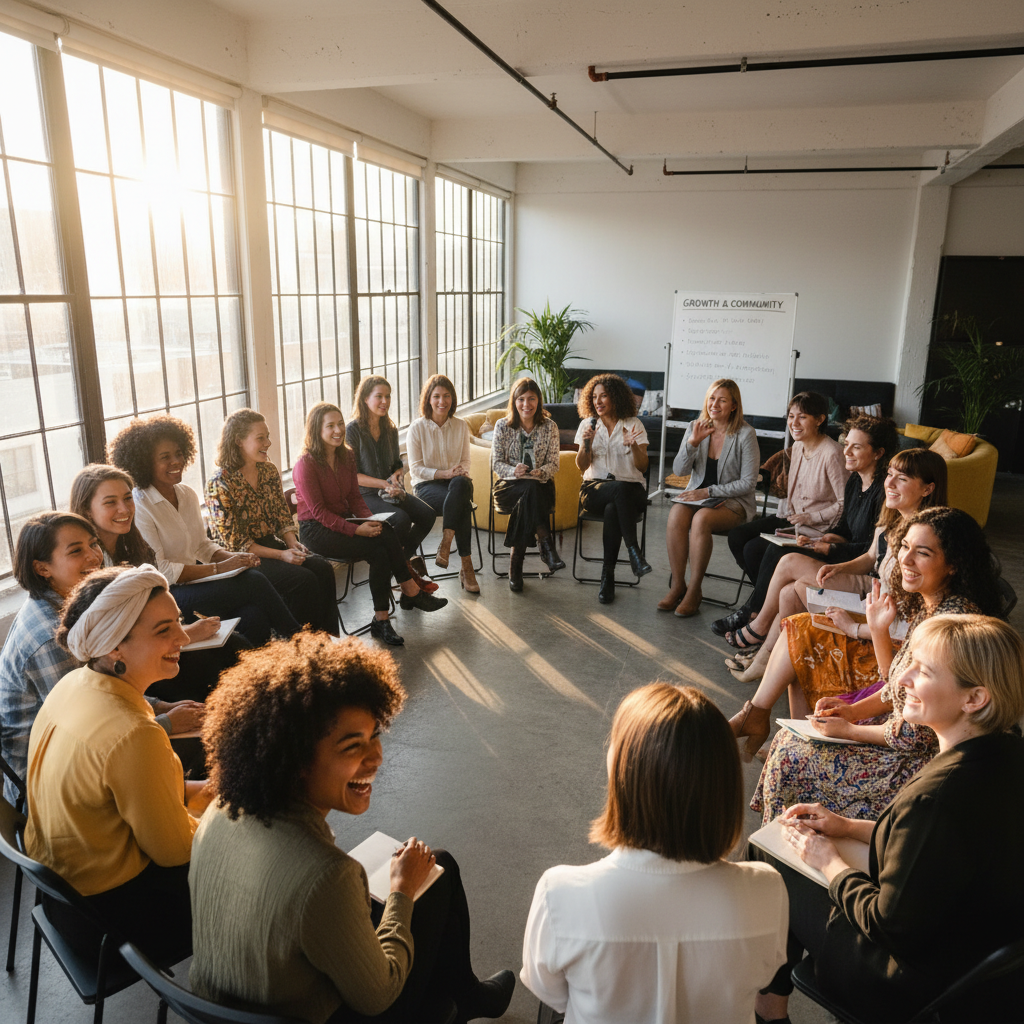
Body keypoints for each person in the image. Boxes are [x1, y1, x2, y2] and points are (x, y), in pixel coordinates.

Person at [189, 631, 516, 1024]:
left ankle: (465, 996)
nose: (376, 757)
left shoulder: (218, 812)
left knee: (431, 869)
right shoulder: (328, 877)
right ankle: (462, 1001)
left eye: (374, 735)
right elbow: (378, 995)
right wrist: (400, 893)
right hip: (313, 1015)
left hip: (224, 1007)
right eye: (352, 746)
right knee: (431, 873)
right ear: (296, 760)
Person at [752, 614, 1024, 1024]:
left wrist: (828, 861)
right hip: (980, 963)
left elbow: (888, 924)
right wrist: (846, 826)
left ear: (975, 699)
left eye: (923, 671)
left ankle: (767, 1012)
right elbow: (934, 851)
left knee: (771, 860)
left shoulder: (937, 796)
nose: (902, 679)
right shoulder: (1007, 754)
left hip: (909, 984)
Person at [521, 682, 787, 1023]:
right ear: (725, 784)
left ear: (623, 774)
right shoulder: (767, 890)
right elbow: (763, 975)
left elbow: (552, 994)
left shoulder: (559, 895)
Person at [738, 506, 1003, 822]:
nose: (905, 560)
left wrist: (850, 728)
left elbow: (911, 734)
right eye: (904, 547)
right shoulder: (932, 606)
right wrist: (853, 710)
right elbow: (900, 687)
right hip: (910, 742)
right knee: (795, 734)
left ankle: (787, 848)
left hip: (922, 767)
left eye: (922, 553)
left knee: (790, 754)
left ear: (953, 565)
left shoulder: (947, 627)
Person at [24, 564, 213, 962]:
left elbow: (124, 797)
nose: (182, 637)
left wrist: (218, 792)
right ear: (114, 646)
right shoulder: (135, 734)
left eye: (177, 621)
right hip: (112, 922)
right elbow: (175, 851)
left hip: (66, 900)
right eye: (163, 630)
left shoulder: (74, 684)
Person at [0, 513, 202, 801]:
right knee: (199, 749)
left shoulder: (68, 602)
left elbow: (106, 695)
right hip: (46, 785)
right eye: (76, 551)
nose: (94, 556)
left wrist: (162, 707)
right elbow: (86, 731)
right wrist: (167, 722)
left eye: (93, 544)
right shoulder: (50, 636)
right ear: (42, 568)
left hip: (84, 746)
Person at [725, 447, 947, 684]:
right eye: (889, 474)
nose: (889, 483)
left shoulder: (926, 533)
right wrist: (841, 568)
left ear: (928, 488)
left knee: (791, 567)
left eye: (901, 479)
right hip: (874, 588)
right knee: (789, 591)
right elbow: (871, 556)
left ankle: (762, 638)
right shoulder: (892, 516)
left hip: (883, 603)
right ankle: (767, 660)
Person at [108, 414, 300, 647]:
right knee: (253, 582)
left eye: (179, 454)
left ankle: (255, 675)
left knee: (254, 616)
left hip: (194, 583)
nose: (176, 461)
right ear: (144, 462)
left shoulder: (187, 494)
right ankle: (300, 640)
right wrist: (219, 568)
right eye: (165, 457)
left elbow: (201, 545)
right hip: (167, 593)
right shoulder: (140, 504)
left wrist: (235, 558)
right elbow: (162, 571)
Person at [71, 463, 251, 704]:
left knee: (246, 626)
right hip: (128, 665)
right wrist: (189, 634)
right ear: (87, 509)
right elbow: (123, 637)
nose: (124, 509)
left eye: (127, 498)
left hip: (154, 646)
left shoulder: (132, 545)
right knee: (221, 658)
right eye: (110, 502)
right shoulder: (90, 564)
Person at [720, 415, 898, 651]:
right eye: (846, 445)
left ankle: (756, 621)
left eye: (856, 447)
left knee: (782, 557)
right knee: (758, 550)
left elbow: (872, 550)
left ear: (878, 453)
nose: (847, 452)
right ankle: (761, 627)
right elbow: (845, 526)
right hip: (842, 551)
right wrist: (825, 537)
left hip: (854, 562)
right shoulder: (855, 481)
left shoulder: (885, 493)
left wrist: (833, 547)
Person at [293, 402, 446, 647]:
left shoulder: (347, 454)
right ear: (315, 430)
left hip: (345, 519)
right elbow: (320, 513)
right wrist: (357, 529)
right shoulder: (305, 464)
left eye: (340, 423)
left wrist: (370, 521)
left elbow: (354, 497)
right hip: (316, 530)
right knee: (381, 546)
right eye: (330, 426)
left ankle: (383, 619)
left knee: (382, 534)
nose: (338, 430)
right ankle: (408, 593)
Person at [712, 391, 847, 632]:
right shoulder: (797, 447)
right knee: (738, 536)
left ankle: (752, 610)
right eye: (791, 416)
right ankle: (766, 599)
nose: (794, 423)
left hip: (819, 527)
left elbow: (843, 504)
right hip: (793, 520)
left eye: (802, 417)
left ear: (819, 419)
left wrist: (810, 517)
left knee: (758, 549)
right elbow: (793, 493)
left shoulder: (832, 453)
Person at [205, 408, 339, 634]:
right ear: (238, 441)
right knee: (302, 580)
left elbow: (280, 514)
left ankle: (323, 640)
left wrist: (291, 542)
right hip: (240, 558)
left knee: (323, 569)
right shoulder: (219, 484)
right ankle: (298, 645)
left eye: (267, 436)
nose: (268, 442)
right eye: (261, 438)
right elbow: (237, 544)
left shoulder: (268, 471)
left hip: (270, 545)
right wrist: (282, 555)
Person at [659, 378, 759, 617]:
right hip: (699, 496)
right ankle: (678, 585)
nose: (715, 404)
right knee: (675, 514)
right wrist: (692, 443)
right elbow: (680, 471)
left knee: (701, 519)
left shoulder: (745, 434)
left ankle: (694, 590)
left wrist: (709, 491)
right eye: (712, 398)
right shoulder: (696, 425)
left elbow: (748, 483)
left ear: (733, 406)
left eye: (722, 400)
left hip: (734, 501)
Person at [346, 375, 437, 589]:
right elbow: (352, 476)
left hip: (389, 490)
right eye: (379, 396)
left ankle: (400, 563)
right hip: (364, 496)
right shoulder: (353, 431)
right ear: (365, 399)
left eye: (388, 396)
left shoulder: (390, 428)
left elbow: (397, 462)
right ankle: (404, 575)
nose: (385, 401)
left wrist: (398, 474)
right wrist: (384, 484)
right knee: (401, 519)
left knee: (427, 514)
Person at [574, 373, 652, 604]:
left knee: (613, 508)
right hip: (594, 489)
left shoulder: (633, 424)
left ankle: (607, 576)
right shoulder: (587, 425)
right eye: (595, 397)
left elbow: (643, 466)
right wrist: (586, 443)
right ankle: (634, 552)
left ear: (615, 398)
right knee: (617, 492)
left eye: (604, 396)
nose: (598, 401)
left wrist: (635, 447)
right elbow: (581, 465)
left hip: (631, 490)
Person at [491, 377, 565, 592]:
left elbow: (554, 462)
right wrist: (513, 471)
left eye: (531, 399)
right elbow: (496, 463)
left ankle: (515, 565)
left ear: (538, 401)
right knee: (529, 491)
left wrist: (542, 471)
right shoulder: (502, 426)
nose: (526, 404)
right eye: (521, 399)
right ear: (514, 401)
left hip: (539, 486)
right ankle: (546, 544)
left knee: (531, 491)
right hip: (508, 487)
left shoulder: (550, 427)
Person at [407, 374, 479, 593]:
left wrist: (457, 473)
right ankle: (467, 568)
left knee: (461, 485)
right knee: (463, 505)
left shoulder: (460, 426)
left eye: (446, 396)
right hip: (426, 486)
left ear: (452, 398)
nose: (442, 401)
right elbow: (416, 468)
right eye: (436, 396)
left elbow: (466, 461)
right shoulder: (417, 428)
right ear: (428, 399)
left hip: (456, 485)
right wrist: (445, 473)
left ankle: (446, 543)